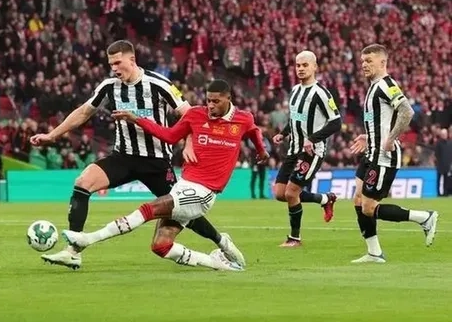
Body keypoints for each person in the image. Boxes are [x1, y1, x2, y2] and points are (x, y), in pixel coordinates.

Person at [31, 40, 234, 257]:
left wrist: (189, 144)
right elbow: (83, 112)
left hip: (156, 162)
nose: (114, 68)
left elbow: (189, 114)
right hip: (123, 157)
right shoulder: (109, 87)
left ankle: (221, 241)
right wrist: (52, 135)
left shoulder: (159, 84)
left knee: (180, 211)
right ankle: (73, 251)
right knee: (83, 182)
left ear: (132, 59)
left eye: (118, 62)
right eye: (111, 64)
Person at [42, 79, 269, 271]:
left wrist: (261, 151)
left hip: (204, 193)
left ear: (228, 98)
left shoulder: (243, 119)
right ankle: (218, 262)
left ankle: (88, 239)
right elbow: (169, 136)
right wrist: (137, 119)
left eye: (216, 101)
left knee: (148, 209)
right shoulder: (196, 115)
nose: (210, 105)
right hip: (184, 186)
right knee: (161, 246)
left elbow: (254, 131)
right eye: (208, 100)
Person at [349, 44, 438, 263]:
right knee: (358, 199)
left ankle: (424, 217)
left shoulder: (386, 85)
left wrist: (390, 139)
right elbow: (382, 122)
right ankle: (374, 253)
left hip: (384, 156)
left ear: (382, 62)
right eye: (362, 61)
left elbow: (406, 111)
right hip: (372, 151)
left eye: (369, 61)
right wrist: (369, 137)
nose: (364, 65)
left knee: (368, 207)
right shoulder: (373, 87)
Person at [271, 51, 341, 247]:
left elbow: (336, 122)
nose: (301, 69)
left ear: (314, 67)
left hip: (312, 151)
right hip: (294, 149)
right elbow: (295, 119)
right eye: (298, 65)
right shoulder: (295, 90)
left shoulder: (321, 93)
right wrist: (283, 133)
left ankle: (294, 238)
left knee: (291, 193)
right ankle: (325, 199)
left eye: (305, 65)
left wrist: (312, 139)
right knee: (280, 193)